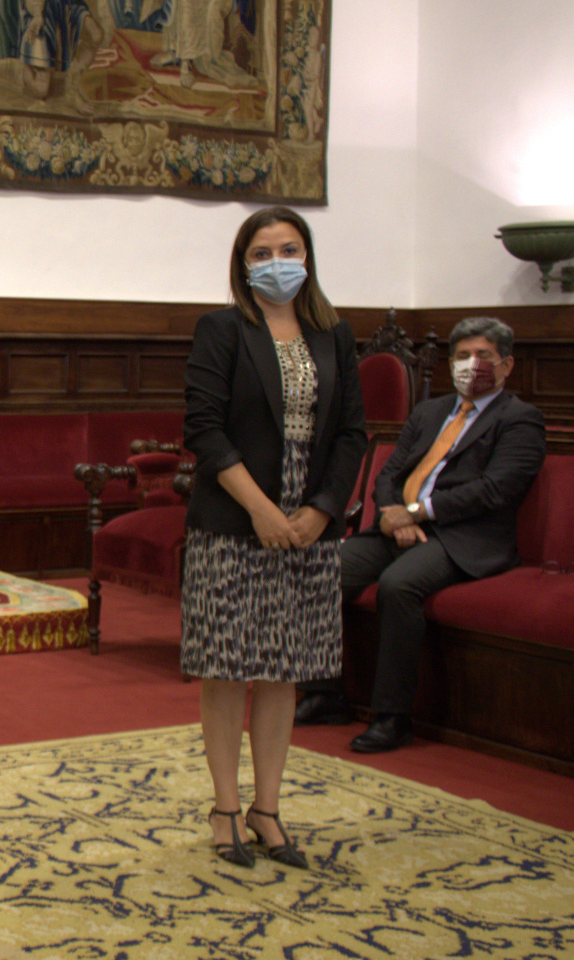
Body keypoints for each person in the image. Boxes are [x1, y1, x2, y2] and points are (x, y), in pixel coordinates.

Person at [181, 206, 366, 870]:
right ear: (243, 264)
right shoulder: (224, 329)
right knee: (230, 669)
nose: (277, 262)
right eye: (262, 253)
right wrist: (261, 508)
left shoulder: (333, 334)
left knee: (283, 670)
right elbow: (203, 429)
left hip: (308, 524)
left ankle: (268, 808)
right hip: (236, 519)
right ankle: (226, 807)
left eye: (289, 249)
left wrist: (322, 509)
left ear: (308, 257)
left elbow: (351, 433)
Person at [296, 317, 546, 753]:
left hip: (464, 539)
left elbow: (496, 490)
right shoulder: (430, 411)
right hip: (396, 527)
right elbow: (390, 472)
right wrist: (396, 514)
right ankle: (324, 694)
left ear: (506, 366)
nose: (472, 365)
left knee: (400, 585)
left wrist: (417, 512)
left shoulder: (520, 420)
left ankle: (393, 717)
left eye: (483, 357)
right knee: (319, 569)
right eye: (463, 356)